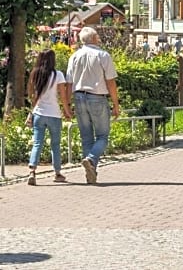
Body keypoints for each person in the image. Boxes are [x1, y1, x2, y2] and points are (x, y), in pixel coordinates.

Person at [65, 26, 121, 184]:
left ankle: (91, 172)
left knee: (86, 137)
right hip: (97, 97)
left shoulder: (74, 56)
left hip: (79, 97)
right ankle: (91, 159)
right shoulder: (103, 55)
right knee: (103, 136)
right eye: (97, 36)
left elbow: (69, 82)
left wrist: (67, 105)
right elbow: (110, 82)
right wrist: (116, 104)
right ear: (94, 39)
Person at [25, 49, 72, 185]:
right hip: (54, 114)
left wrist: (32, 111)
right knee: (55, 145)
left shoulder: (35, 74)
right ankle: (57, 173)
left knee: (37, 143)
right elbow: (63, 96)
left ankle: (32, 171)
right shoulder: (58, 75)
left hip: (39, 113)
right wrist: (67, 111)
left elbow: (33, 96)